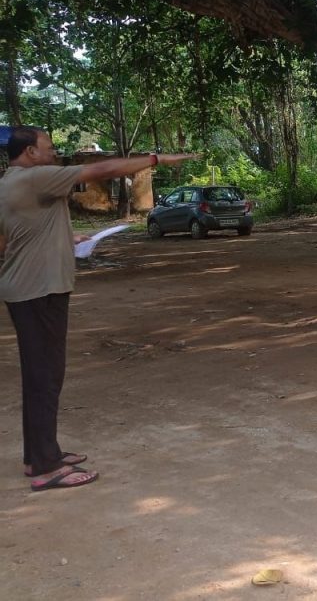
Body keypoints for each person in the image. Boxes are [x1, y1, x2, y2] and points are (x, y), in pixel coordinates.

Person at [0, 126, 196, 492]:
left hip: (27, 289)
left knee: (41, 376)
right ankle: (45, 468)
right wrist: (156, 159)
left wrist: (66, 238)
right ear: (29, 152)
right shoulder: (36, 177)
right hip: (39, 291)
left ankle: (38, 455)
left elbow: (11, 238)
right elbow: (101, 170)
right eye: (48, 147)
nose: (54, 153)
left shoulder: (9, 182)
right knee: (45, 378)